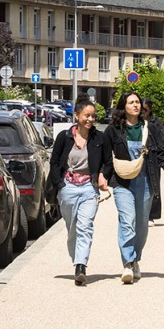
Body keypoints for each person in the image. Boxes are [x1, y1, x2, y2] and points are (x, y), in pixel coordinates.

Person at [108, 89, 164, 283]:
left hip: (146, 180)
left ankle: (136, 258)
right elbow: (106, 154)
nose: (136, 105)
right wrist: (100, 177)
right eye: (131, 102)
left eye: (137, 102)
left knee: (141, 225)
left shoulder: (151, 127)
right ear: (123, 106)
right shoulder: (114, 129)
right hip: (123, 182)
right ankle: (127, 264)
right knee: (127, 220)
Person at [49, 100, 111, 286]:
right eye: (87, 115)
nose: (90, 119)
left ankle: (80, 266)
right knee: (72, 228)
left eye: (93, 116)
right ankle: (77, 259)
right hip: (67, 187)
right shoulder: (64, 137)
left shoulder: (100, 138)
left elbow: (108, 162)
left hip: (89, 189)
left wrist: (102, 175)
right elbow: (54, 162)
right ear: (76, 115)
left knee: (85, 226)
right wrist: (59, 184)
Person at [141, 97, 164, 224]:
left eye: (144, 110)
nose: (141, 112)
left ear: (149, 110)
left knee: (151, 187)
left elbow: (163, 146)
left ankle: (150, 215)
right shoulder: (131, 123)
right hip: (135, 161)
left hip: (151, 159)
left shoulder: (155, 123)